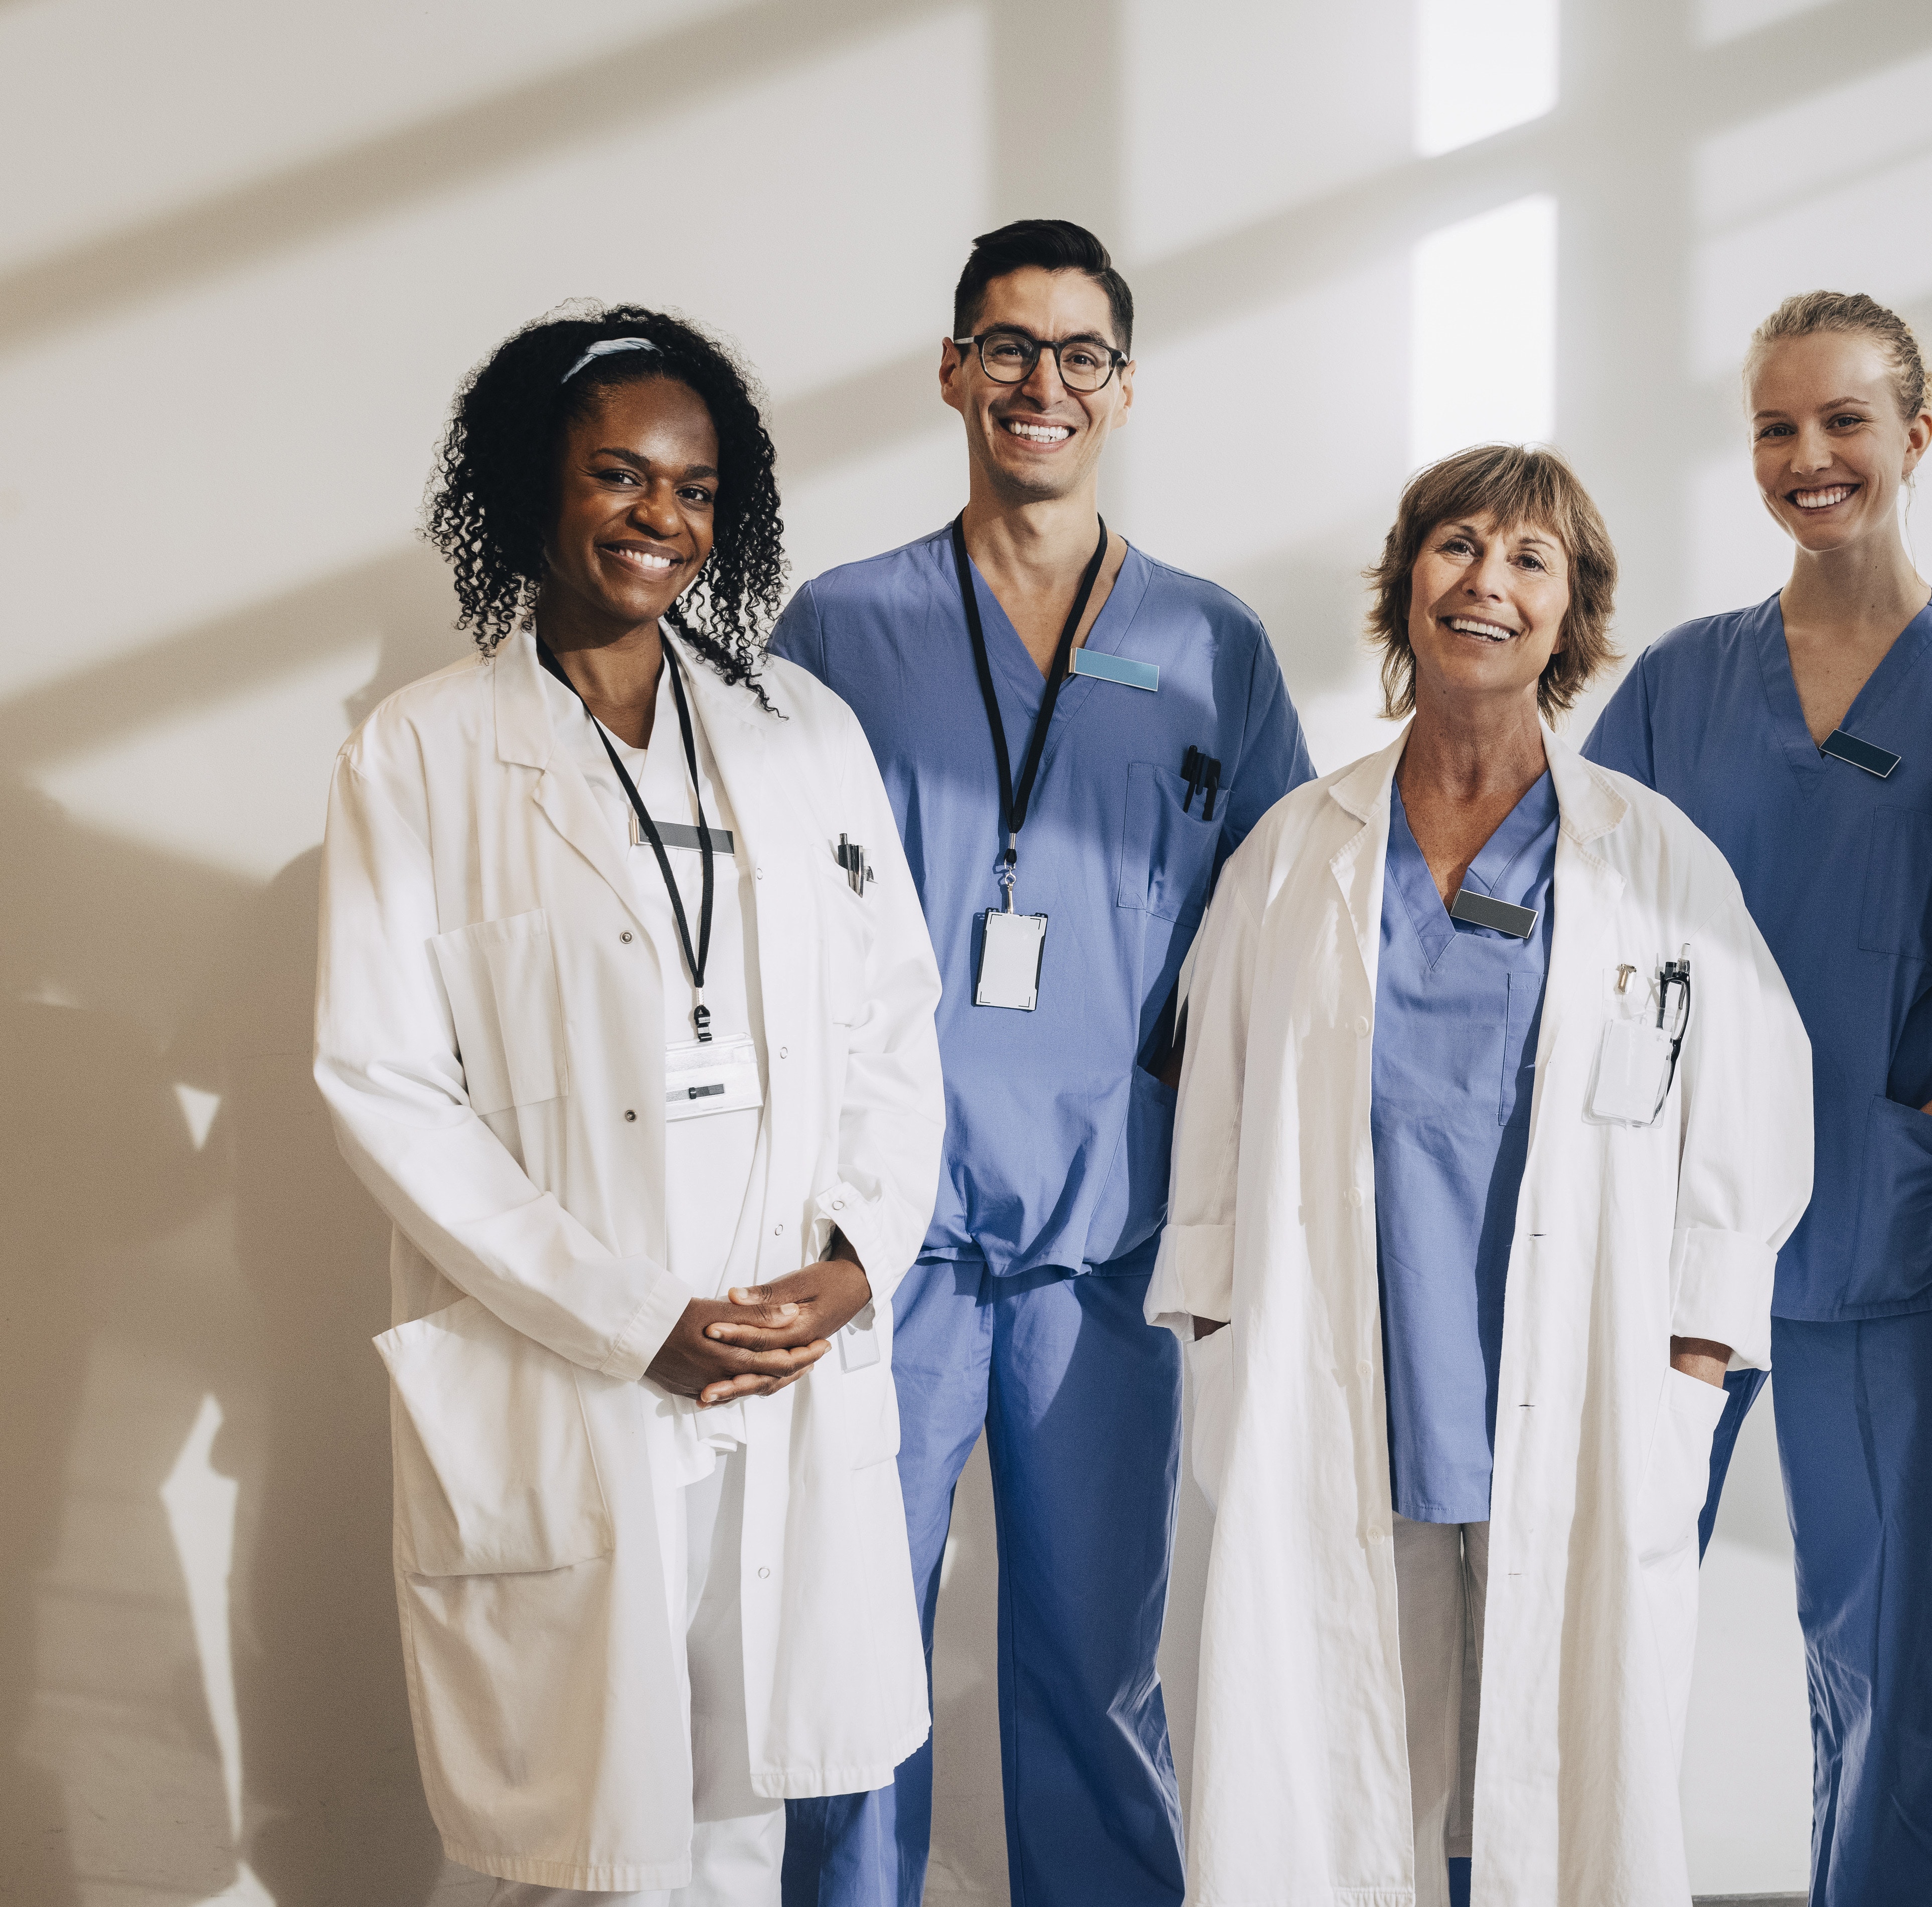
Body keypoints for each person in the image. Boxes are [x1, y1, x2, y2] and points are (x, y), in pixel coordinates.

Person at [316, 306, 945, 1903]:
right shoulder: (425, 754)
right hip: (578, 1357)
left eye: (696, 487)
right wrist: (628, 1314)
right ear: (540, 485)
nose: (662, 516)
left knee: (736, 1806)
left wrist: (857, 1256)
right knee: (570, 1841)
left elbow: (894, 1021)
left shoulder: (806, 734)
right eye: (621, 476)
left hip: (774, 1349)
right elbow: (385, 1084)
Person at [1155, 443, 1814, 1907]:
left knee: (1570, 1780)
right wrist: (1209, 1326)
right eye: (1457, 548)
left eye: (1529, 560)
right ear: (1405, 584)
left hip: (1579, 1378)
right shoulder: (1295, 850)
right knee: (1323, 1766)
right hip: (1338, 1366)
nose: (1487, 584)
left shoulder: (1652, 860)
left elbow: (1750, 1110)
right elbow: (1215, 1092)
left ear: (1571, 613)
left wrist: (1697, 1347)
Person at [768, 219, 1314, 1907]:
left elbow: (1275, 928)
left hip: (1105, 1239)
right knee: (855, 1661)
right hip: (882, 1238)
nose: (1040, 385)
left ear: (1125, 389)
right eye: (1007, 347)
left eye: (1079, 355)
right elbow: (775, 914)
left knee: (1093, 1660)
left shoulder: (1209, 642)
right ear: (950, 371)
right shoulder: (841, 629)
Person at [1582, 290, 1932, 1905]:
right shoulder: (1683, 684)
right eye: (1777, 426)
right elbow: (1583, 925)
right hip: (1672, 1233)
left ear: (1915, 433)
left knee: (1894, 1646)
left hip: (1890, 1227)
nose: (1809, 456)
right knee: (1609, 1625)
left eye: (1844, 421)